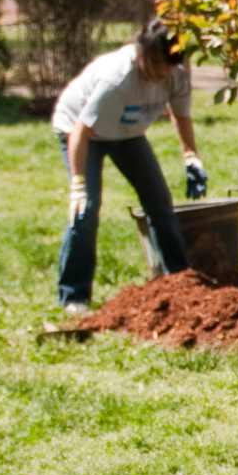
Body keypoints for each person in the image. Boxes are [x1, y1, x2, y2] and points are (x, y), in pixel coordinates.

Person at [52, 17, 207, 315]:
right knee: (86, 209)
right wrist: (78, 186)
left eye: (169, 66)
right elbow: (80, 131)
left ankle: (179, 279)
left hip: (127, 133)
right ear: (143, 52)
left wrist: (190, 155)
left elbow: (181, 115)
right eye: (158, 64)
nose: (162, 73)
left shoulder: (174, 75)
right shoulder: (117, 78)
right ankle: (74, 295)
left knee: (160, 203)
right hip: (82, 133)